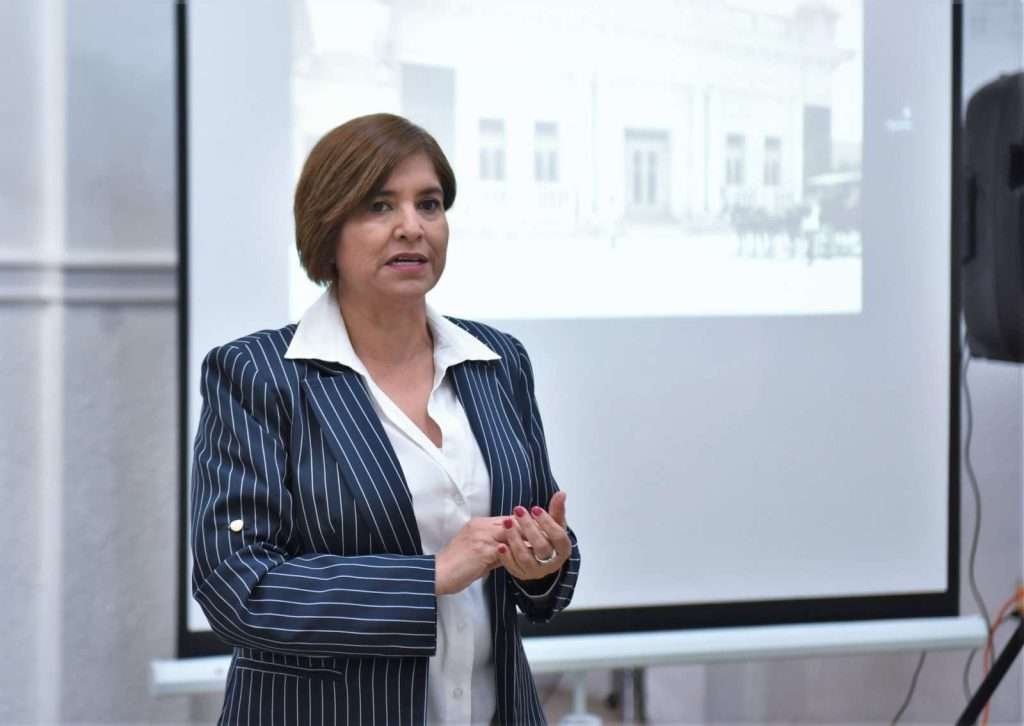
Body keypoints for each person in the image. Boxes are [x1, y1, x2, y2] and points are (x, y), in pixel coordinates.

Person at [191, 113, 580, 725]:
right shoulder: (258, 374)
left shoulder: (498, 362)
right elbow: (237, 585)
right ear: (328, 229)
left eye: (429, 204)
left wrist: (543, 563)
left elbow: (536, 553)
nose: (412, 227)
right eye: (379, 206)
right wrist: (431, 576)